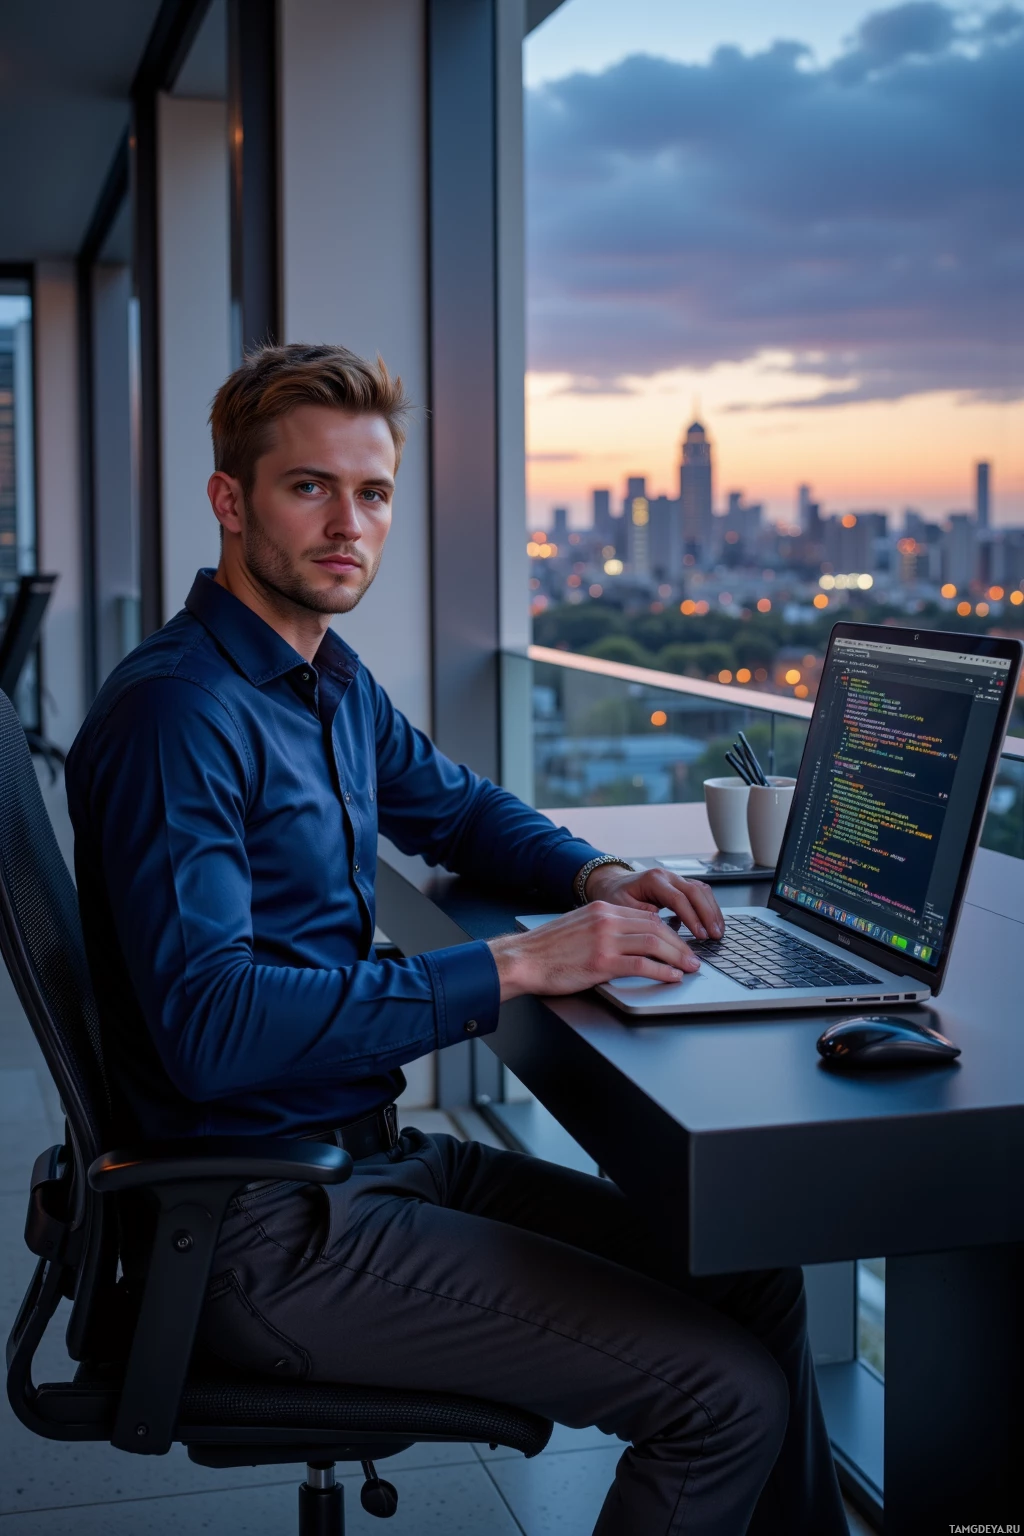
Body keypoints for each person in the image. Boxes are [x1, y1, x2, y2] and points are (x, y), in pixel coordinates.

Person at [66, 344, 848, 1535]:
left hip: (363, 1161)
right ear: (230, 500)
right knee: (721, 1396)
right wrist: (518, 964)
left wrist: (597, 872)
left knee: (751, 1270)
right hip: (260, 1229)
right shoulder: (182, 717)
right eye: (307, 487)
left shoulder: (318, 679)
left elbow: (458, 807)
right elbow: (213, 1031)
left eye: (371, 493)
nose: (348, 525)